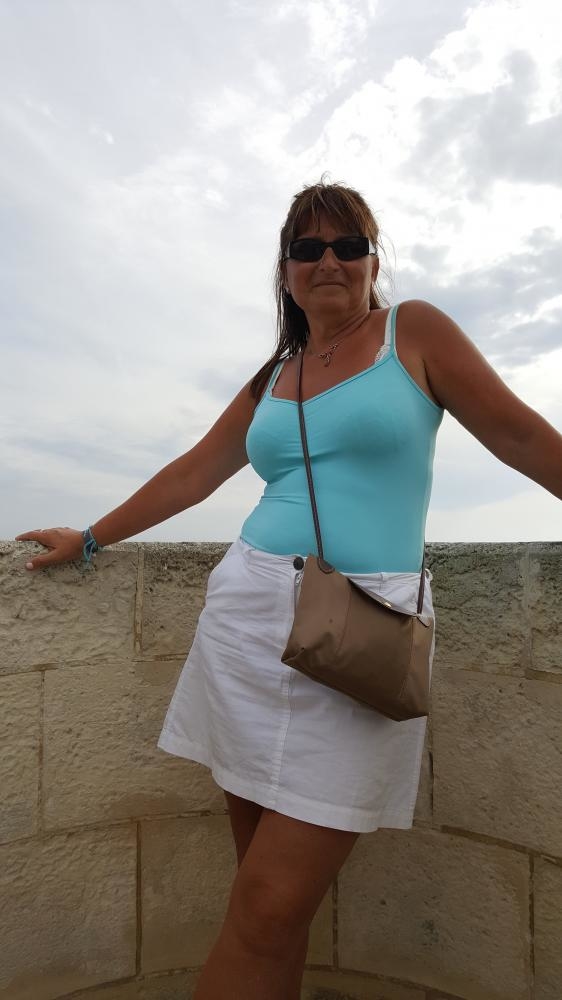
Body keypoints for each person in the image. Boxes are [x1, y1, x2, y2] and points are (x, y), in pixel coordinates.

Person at [16, 181, 562, 1000]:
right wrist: (91, 536)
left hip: (362, 637)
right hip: (246, 626)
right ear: (285, 271)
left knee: (269, 903)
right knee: (265, 901)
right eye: (308, 248)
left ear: (373, 259)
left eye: (348, 244)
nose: (328, 261)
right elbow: (196, 472)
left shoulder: (414, 333)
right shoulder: (274, 375)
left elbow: (519, 433)